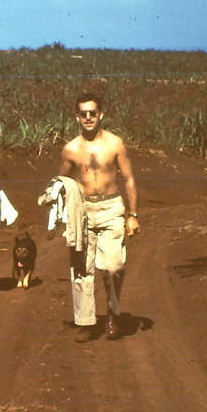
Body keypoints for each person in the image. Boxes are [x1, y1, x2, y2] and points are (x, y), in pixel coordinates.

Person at [58, 93, 140, 341]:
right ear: (77, 117)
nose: (88, 117)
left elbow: (129, 179)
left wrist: (133, 215)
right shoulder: (70, 149)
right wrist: (62, 213)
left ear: (101, 114)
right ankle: (85, 322)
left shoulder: (115, 143)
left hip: (111, 207)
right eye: (83, 113)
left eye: (92, 112)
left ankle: (113, 313)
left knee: (113, 266)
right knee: (82, 269)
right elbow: (61, 182)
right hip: (83, 211)